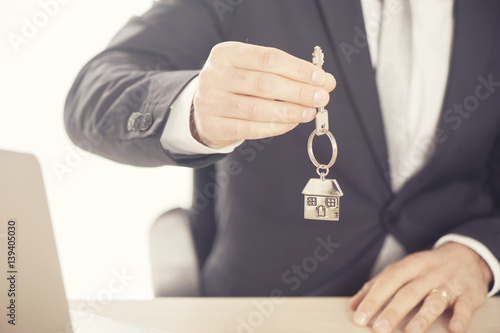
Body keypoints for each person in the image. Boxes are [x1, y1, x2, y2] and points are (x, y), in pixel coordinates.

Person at [64, 1, 500, 332]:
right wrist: (192, 105)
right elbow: (93, 93)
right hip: (261, 312)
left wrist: (481, 255)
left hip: (454, 316)